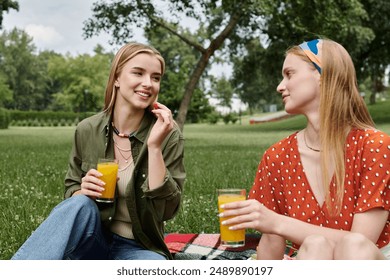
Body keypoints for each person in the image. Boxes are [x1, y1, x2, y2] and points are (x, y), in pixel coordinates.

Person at [12, 42, 186, 260]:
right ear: (116, 78)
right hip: (92, 239)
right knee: (79, 203)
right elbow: (71, 190)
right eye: (138, 73)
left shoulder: (168, 134)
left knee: (156, 269)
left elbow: (167, 211)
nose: (148, 83)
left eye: (156, 77)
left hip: (139, 247)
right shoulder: (87, 129)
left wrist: (154, 147)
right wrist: (81, 191)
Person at [220, 38, 390, 260]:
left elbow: (361, 242)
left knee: (352, 245)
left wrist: (278, 221)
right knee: (315, 245)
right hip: (313, 259)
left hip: (371, 261)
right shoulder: (277, 156)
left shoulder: (375, 146)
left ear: (323, 75)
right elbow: (272, 241)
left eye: (289, 74)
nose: (280, 86)